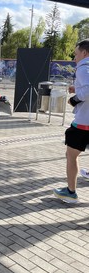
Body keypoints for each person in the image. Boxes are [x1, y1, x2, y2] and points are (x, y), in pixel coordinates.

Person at [53, 39, 89, 203]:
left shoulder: (83, 68)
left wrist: (74, 99)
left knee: (71, 155)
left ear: (85, 53)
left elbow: (88, 90)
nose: (74, 58)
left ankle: (71, 192)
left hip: (83, 122)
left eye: (76, 54)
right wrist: (78, 88)